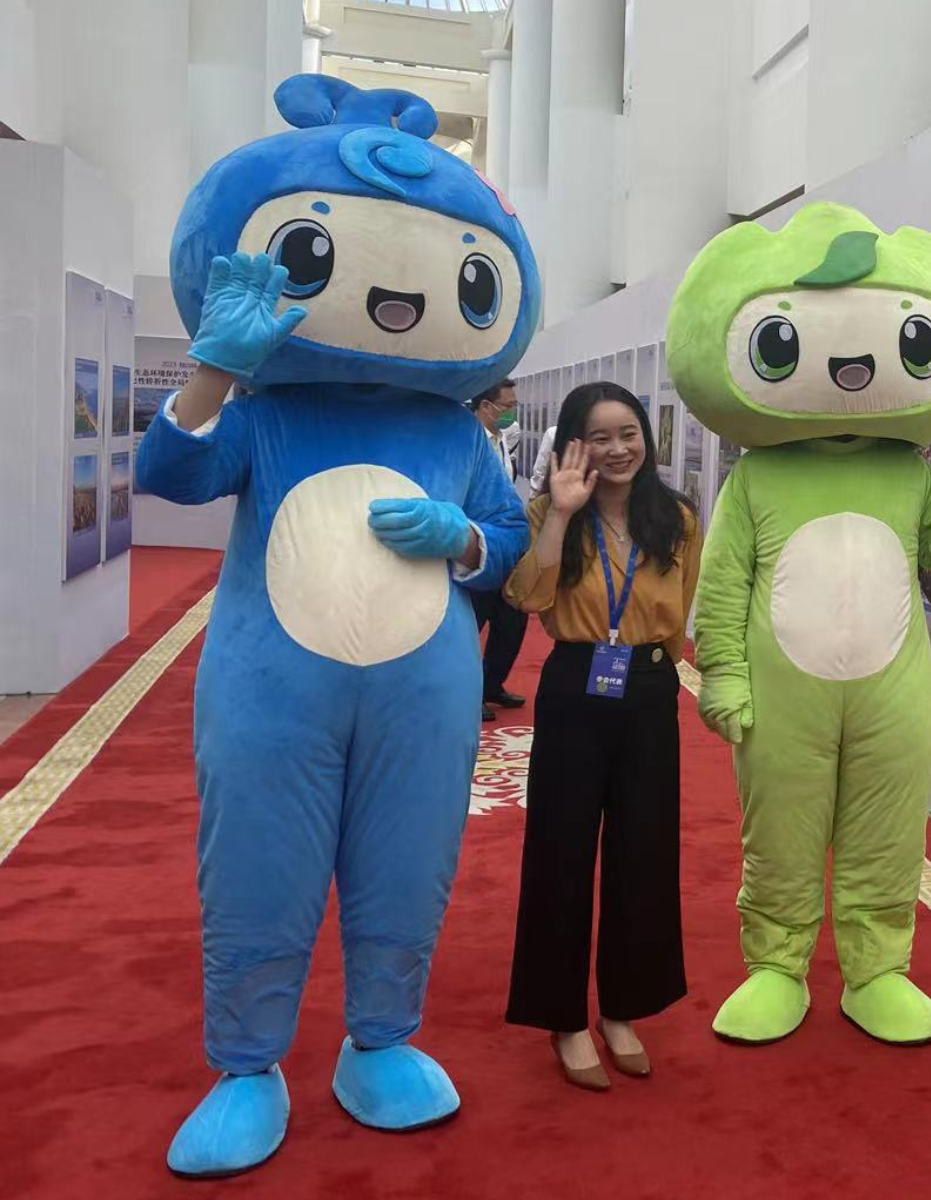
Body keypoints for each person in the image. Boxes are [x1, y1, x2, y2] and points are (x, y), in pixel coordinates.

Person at [135, 74, 538, 1177]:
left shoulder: (456, 430)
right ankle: (247, 1062)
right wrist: (217, 368)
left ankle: (381, 1038)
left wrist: (460, 537)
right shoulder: (266, 410)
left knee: (409, 863)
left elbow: (504, 544)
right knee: (258, 861)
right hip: (273, 682)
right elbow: (169, 473)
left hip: (425, 686)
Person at [668, 202, 931, 1046]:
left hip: (892, 688)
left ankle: (877, 967)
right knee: (779, 825)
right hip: (784, 694)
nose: (855, 366)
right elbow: (722, 584)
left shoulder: (906, 468)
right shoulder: (757, 477)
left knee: (889, 823)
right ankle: (777, 965)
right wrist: (727, 675)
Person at [504, 382, 700, 1089]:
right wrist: (560, 515)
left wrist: (655, 673)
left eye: (630, 434)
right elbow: (526, 598)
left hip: (647, 688)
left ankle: (625, 1007)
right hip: (574, 683)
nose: (618, 450)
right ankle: (564, 1016)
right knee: (560, 853)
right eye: (600, 437)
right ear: (573, 444)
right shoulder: (546, 512)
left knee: (642, 855)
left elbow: (678, 617)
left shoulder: (675, 517)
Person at [471, 378, 529, 720]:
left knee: (511, 622)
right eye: (506, 406)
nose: (510, 412)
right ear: (485, 405)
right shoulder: (467, 441)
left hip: (505, 546)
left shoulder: (503, 439)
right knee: (474, 620)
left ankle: (493, 683)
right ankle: (472, 692)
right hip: (477, 545)